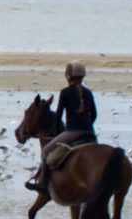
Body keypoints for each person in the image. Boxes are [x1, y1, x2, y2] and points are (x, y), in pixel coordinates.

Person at [25, 61, 96, 191]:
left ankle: (43, 184)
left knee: (46, 151)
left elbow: (58, 114)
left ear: (68, 76)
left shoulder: (65, 92)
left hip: (72, 132)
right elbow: (94, 114)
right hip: (90, 133)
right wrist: (87, 127)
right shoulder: (88, 92)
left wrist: (57, 129)